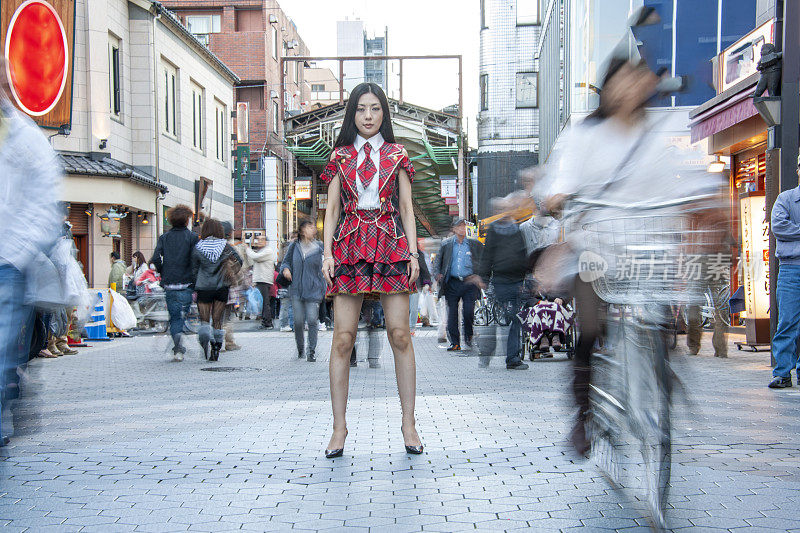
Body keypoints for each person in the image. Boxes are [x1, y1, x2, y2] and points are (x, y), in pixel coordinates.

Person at [320, 82, 423, 458]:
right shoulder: (340, 156)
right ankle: (338, 428)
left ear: (384, 113)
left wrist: (412, 254)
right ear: (353, 113)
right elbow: (330, 210)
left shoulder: (397, 154)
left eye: (375, 109)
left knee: (400, 334)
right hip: (348, 244)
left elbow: (408, 209)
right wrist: (327, 254)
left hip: (390, 243)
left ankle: (408, 423)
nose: (367, 116)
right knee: (343, 339)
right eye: (361, 109)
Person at [0, 61, 64, 444]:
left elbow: (44, 205)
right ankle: (12, 390)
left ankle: (8, 394)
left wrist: (16, 252)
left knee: (2, 347)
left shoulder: (26, 138)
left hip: (7, 263)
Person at [476, 198, 530, 370]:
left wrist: (525, 279)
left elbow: (523, 255)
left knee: (512, 318)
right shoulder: (493, 230)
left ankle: (509, 356)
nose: (506, 211)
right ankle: (508, 357)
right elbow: (487, 256)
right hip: (501, 281)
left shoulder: (517, 230)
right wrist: (484, 278)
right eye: (502, 208)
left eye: (508, 207)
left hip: (516, 282)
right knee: (510, 318)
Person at [150, 205, 199, 360]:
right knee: (183, 315)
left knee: (174, 316)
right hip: (187, 283)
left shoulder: (164, 237)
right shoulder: (192, 237)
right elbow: (196, 260)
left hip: (170, 283)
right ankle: (179, 341)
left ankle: (177, 348)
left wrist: (162, 271)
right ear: (187, 220)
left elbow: (156, 258)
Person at [769, 155, 800, 388]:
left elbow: (790, 229)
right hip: (790, 269)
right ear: (798, 169)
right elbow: (779, 227)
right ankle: (782, 373)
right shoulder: (786, 198)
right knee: (787, 321)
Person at [191, 218, 242, 361]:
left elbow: (194, 269)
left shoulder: (198, 247)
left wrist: (196, 282)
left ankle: (205, 337)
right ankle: (216, 347)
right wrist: (230, 274)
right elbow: (239, 261)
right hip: (221, 287)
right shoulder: (225, 246)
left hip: (203, 287)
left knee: (204, 320)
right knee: (218, 319)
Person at [434, 217, 484, 351]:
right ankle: (455, 343)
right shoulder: (446, 244)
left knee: (468, 312)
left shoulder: (475, 244)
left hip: (469, 283)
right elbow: (438, 262)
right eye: (459, 226)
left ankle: (469, 338)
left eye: (464, 226)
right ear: (454, 229)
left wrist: (480, 277)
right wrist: (438, 275)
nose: (462, 228)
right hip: (452, 283)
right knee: (452, 314)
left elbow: (482, 261)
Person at [280, 219, 325, 361]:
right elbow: (285, 262)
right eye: (309, 226)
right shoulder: (294, 246)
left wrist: (324, 287)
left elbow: (324, 268)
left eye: (313, 227)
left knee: (312, 320)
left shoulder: (319, 247)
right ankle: (300, 349)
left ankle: (311, 351)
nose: (313, 229)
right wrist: (286, 269)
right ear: (302, 230)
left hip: (313, 289)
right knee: (298, 322)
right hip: (297, 290)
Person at [247, 235, 275, 329]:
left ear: (266, 242)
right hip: (261, 279)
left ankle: (268, 323)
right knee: (262, 302)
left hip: (264, 279)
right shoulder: (262, 251)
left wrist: (247, 248)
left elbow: (255, 257)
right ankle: (265, 322)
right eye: (258, 239)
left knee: (264, 302)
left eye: (261, 239)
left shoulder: (267, 251)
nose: (259, 241)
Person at [408, 240, 432, 336]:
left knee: (413, 308)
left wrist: (427, 283)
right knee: (407, 308)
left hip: (415, 284)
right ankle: (407, 328)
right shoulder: (400, 250)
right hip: (403, 285)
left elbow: (424, 268)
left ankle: (411, 329)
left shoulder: (418, 254)